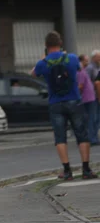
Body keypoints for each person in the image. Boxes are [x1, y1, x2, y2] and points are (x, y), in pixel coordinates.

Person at [32, 31, 97, 180]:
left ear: (46, 46)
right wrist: (65, 55)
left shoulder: (43, 63)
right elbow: (80, 68)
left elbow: (33, 74)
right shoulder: (72, 58)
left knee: (60, 137)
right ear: (60, 43)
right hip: (74, 100)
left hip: (55, 104)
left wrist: (43, 59)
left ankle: (67, 171)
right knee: (82, 135)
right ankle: (86, 169)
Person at [78, 55, 99, 145]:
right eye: (85, 61)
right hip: (88, 98)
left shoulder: (84, 70)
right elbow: (80, 86)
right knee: (91, 118)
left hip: (90, 97)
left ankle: (92, 137)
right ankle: (91, 138)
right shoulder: (82, 72)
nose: (87, 63)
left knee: (93, 118)